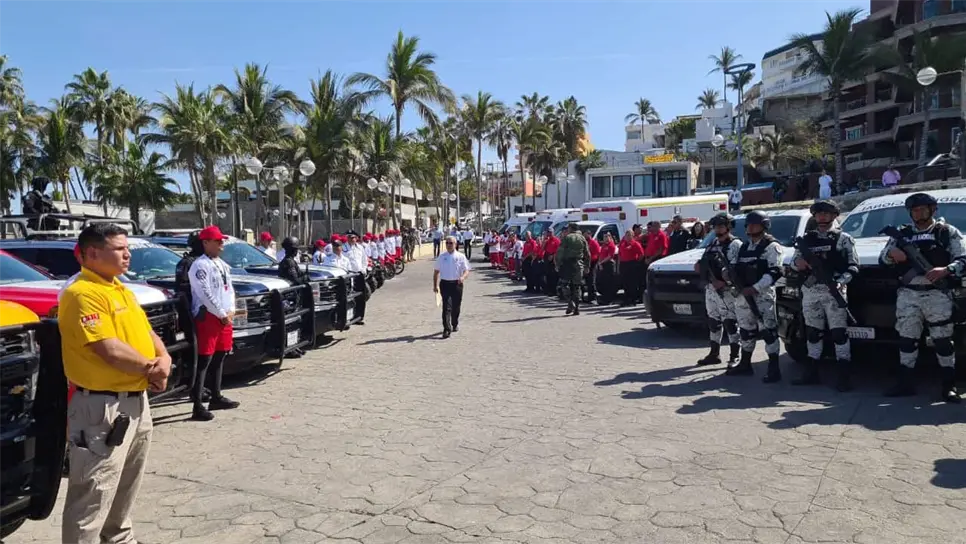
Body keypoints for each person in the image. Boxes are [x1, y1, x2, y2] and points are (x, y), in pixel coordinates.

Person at [59, 223, 170, 544]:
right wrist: (152, 368)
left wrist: (164, 359)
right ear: (92, 253)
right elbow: (107, 348)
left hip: (135, 402)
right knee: (92, 494)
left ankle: (119, 537)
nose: (127, 254)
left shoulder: (119, 288)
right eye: (119, 248)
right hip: (101, 409)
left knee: (125, 486)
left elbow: (147, 332)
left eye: (127, 248)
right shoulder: (81, 293)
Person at [879, 193, 966, 401]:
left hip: (937, 294)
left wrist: (946, 269)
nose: (918, 213)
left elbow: (963, 259)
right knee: (907, 340)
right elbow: (883, 258)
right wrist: (891, 255)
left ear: (932, 210)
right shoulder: (901, 234)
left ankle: (949, 385)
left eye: (922, 210)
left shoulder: (946, 232)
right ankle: (905, 383)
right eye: (914, 211)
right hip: (909, 294)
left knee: (942, 341)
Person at [791, 200, 858, 390]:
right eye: (819, 214)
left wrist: (841, 281)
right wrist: (798, 264)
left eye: (826, 214)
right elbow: (793, 263)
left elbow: (853, 266)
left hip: (834, 290)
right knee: (813, 333)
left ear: (834, 216)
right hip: (811, 291)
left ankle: (844, 375)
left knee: (839, 334)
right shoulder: (806, 240)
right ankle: (811, 372)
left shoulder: (843, 238)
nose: (822, 217)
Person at [188, 225, 240, 421]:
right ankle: (197, 404)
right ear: (206, 243)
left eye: (221, 241)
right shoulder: (199, 266)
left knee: (220, 356)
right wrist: (220, 312)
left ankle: (216, 396)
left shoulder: (222, 264)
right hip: (209, 316)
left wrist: (231, 309)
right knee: (204, 360)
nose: (221, 245)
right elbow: (204, 293)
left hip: (224, 316)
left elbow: (230, 289)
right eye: (217, 241)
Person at [731, 211, 784, 382]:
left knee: (768, 332)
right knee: (746, 331)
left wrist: (755, 288)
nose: (750, 228)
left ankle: (774, 369)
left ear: (764, 226)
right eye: (748, 225)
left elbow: (775, 272)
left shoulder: (772, 246)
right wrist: (727, 273)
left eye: (755, 224)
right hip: (743, 296)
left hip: (762, 296)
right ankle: (745, 364)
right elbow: (735, 267)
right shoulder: (744, 247)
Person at [694, 213, 743, 368]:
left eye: (721, 226)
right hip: (711, 288)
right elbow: (704, 262)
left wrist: (724, 282)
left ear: (729, 227)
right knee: (713, 321)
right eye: (715, 227)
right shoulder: (713, 243)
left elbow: (736, 269)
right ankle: (714, 353)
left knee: (730, 322)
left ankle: (735, 355)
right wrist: (699, 267)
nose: (717, 229)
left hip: (727, 290)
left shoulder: (735, 244)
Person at [433, 236, 471, 338]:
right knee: (446, 307)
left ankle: (455, 323)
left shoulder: (461, 256)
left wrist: (463, 277)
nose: (449, 245)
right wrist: (435, 285)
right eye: (447, 243)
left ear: (455, 244)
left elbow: (467, 270)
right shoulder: (441, 257)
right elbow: (436, 272)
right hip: (445, 284)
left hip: (457, 284)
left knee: (456, 306)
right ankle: (446, 329)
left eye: (451, 243)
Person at [555, 223, 591, 315]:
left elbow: (560, 252)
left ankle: (570, 302)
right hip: (579, 264)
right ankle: (577, 308)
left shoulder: (567, 238)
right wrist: (587, 266)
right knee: (577, 287)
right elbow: (587, 253)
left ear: (571, 228)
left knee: (564, 284)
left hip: (567, 264)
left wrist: (557, 264)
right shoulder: (582, 238)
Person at [345, 233, 370, 325]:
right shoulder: (344, 248)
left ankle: (359, 317)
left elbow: (364, 260)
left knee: (361, 296)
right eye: (350, 237)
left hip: (359, 274)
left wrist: (363, 269)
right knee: (349, 297)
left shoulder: (360, 247)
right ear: (347, 238)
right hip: (349, 275)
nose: (352, 239)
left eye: (354, 237)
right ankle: (348, 317)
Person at [618, 230, 644, 306]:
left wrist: (636, 262)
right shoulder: (622, 244)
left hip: (632, 264)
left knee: (632, 283)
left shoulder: (635, 244)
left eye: (629, 235)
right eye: (626, 235)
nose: (627, 237)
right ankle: (626, 299)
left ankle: (633, 300)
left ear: (632, 236)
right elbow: (620, 253)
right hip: (623, 264)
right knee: (625, 283)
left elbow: (641, 254)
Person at [597, 232, 618, 305]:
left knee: (609, 283)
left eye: (607, 236)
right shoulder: (604, 245)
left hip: (609, 264)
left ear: (610, 237)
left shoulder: (611, 245)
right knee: (604, 283)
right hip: (603, 264)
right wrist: (600, 263)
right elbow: (600, 255)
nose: (605, 238)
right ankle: (604, 298)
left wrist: (601, 262)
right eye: (604, 237)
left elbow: (610, 256)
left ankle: (609, 299)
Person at [542, 230, 561, 296]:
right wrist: (544, 241)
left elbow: (558, 250)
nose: (549, 234)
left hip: (553, 259)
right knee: (548, 275)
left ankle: (553, 291)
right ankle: (549, 290)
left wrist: (553, 256)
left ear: (553, 232)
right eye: (548, 232)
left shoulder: (556, 240)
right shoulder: (547, 240)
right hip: (547, 258)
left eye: (550, 232)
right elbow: (542, 249)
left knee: (553, 276)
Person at [583, 230, 601, 303]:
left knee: (591, 281)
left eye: (586, 234)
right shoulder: (584, 243)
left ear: (589, 234)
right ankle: (586, 297)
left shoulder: (593, 242)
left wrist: (590, 258)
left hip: (593, 263)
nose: (584, 236)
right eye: (584, 234)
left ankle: (593, 298)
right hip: (585, 263)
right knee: (586, 281)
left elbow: (598, 253)